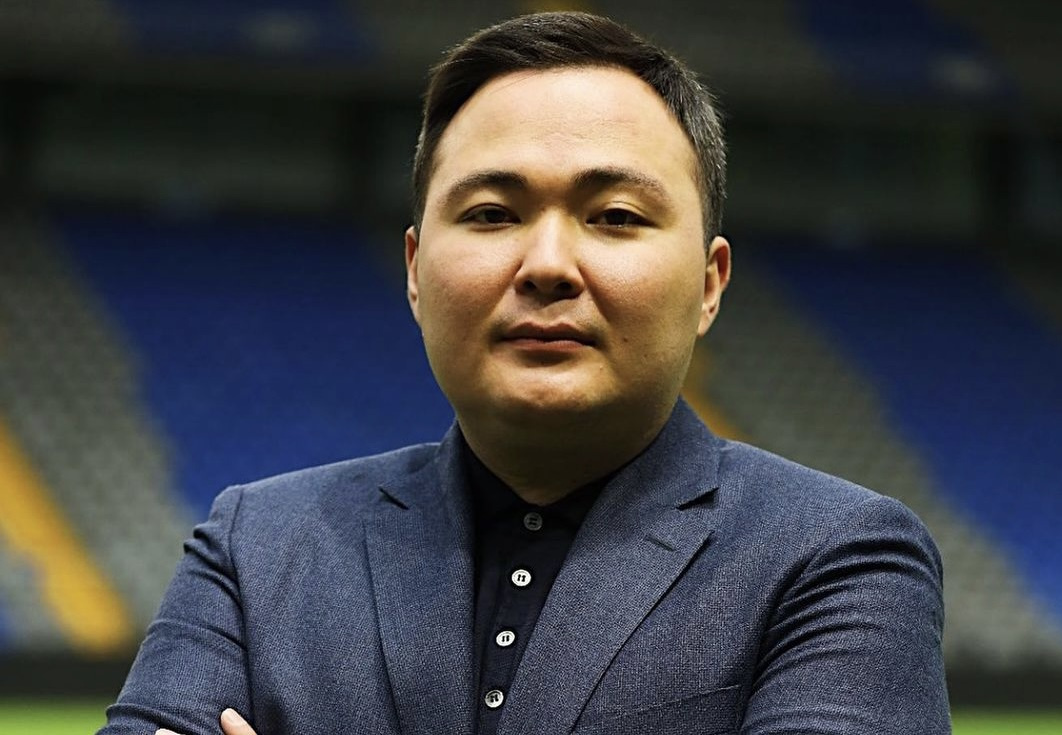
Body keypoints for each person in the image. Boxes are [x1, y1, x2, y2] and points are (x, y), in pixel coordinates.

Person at [100, 11, 950, 735]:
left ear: (708, 282)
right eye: (491, 213)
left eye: (614, 215)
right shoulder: (256, 545)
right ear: (415, 270)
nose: (547, 264)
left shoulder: (838, 559)